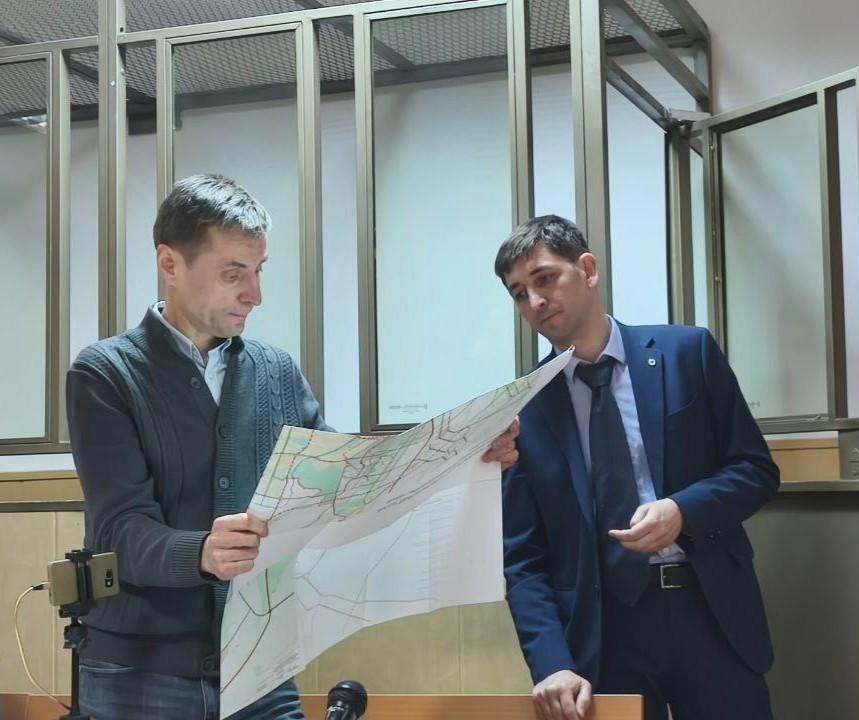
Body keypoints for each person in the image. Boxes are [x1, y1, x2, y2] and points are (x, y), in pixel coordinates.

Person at [67, 174, 520, 720]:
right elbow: (118, 530)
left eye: (259, 270)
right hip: (140, 673)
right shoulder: (106, 374)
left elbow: (352, 480)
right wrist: (202, 552)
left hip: (259, 663)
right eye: (233, 274)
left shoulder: (275, 371)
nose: (255, 294)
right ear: (170, 264)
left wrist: (462, 454)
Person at [495, 215, 778, 720]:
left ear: (587, 269)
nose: (535, 301)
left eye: (545, 279)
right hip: (604, 631)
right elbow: (523, 557)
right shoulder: (524, 407)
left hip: (708, 609)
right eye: (519, 294)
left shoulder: (686, 353)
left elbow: (755, 470)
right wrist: (551, 663)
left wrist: (682, 510)